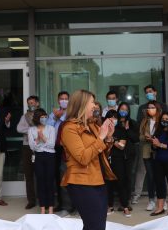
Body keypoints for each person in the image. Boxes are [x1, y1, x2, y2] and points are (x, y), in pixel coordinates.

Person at [60, 90, 116, 230]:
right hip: (82, 183)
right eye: (92, 102)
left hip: (98, 180)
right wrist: (101, 138)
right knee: (95, 226)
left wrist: (108, 137)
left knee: (96, 225)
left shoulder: (92, 125)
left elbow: (102, 153)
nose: (94, 106)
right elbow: (83, 158)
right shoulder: (69, 128)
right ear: (82, 104)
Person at [133, 85, 168, 205]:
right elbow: (139, 125)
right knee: (144, 172)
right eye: (146, 92)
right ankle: (139, 195)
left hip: (160, 148)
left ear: (155, 92)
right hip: (146, 147)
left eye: (150, 91)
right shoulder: (142, 109)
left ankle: (164, 196)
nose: (148, 93)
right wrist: (145, 135)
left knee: (161, 173)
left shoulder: (163, 106)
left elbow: (167, 124)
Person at [109, 103, 137, 217]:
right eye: (121, 109)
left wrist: (128, 129)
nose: (123, 111)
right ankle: (122, 202)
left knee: (128, 178)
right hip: (117, 155)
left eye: (126, 109)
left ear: (128, 111)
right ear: (118, 109)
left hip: (129, 155)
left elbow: (135, 139)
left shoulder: (132, 123)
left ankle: (127, 201)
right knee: (120, 178)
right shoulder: (114, 122)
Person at [150, 111, 168, 216]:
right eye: (163, 119)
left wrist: (160, 144)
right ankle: (160, 208)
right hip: (159, 161)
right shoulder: (158, 130)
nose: (165, 121)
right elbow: (154, 147)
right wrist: (154, 145)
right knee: (159, 184)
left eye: (167, 119)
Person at [28, 108, 56, 214]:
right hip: (38, 156)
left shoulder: (51, 128)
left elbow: (52, 145)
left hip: (50, 156)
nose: (44, 119)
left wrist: (42, 138)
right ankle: (43, 208)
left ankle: (51, 208)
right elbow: (32, 147)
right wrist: (38, 139)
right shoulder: (31, 130)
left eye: (45, 117)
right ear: (37, 118)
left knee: (50, 181)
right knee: (40, 181)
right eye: (42, 117)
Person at [16, 95, 40, 209]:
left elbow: (46, 128)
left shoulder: (42, 115)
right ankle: (31, 200)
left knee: (41, 174)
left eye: (33, 103)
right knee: (29, 174)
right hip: (27, 147)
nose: (31, 105)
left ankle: (42, 198)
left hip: (41, 147)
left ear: (37, 103)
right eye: (29, 103)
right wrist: (32, 130)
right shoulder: (24, 117)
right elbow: (19, 128)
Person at [138, 101, 162, 211]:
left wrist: (156, 140)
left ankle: (161, 199)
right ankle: (151, 200)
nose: (150, 109)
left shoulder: (161, 120)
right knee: (150, 176)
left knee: (160, 176)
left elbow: (166, 134)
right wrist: (146, 137)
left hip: (159, 151)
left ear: (157, 109)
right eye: (149, 108)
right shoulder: (144, 121)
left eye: (152, 107)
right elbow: (140, 136)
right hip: (147, 151)